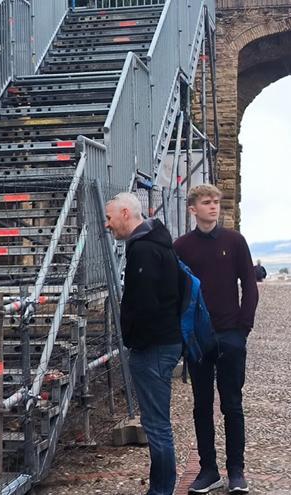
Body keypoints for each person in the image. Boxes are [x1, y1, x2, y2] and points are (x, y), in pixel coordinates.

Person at [173, 184, 259, 494]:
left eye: (216, 202)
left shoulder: (235, 241)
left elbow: (249, 284)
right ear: (192, 209)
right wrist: (183, 334)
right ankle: (208, 469)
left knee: (233, 405)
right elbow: (177, 293)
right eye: (206, 203)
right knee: (201, 406)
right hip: (198, 339)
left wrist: (242, 329)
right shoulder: (181, 247)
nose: (213, 207)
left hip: (231, 335)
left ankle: (236, 470)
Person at [104, 192, 184, 495]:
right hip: (162, 344)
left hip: (154, 348)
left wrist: (136, 342)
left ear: (126, 213)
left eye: (110, 217)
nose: (107, 224)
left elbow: (146, 304)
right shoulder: (156, 243)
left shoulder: (144, 250)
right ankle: (161, 488)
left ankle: (162, 490)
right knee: (157, 423)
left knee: (157, 426)